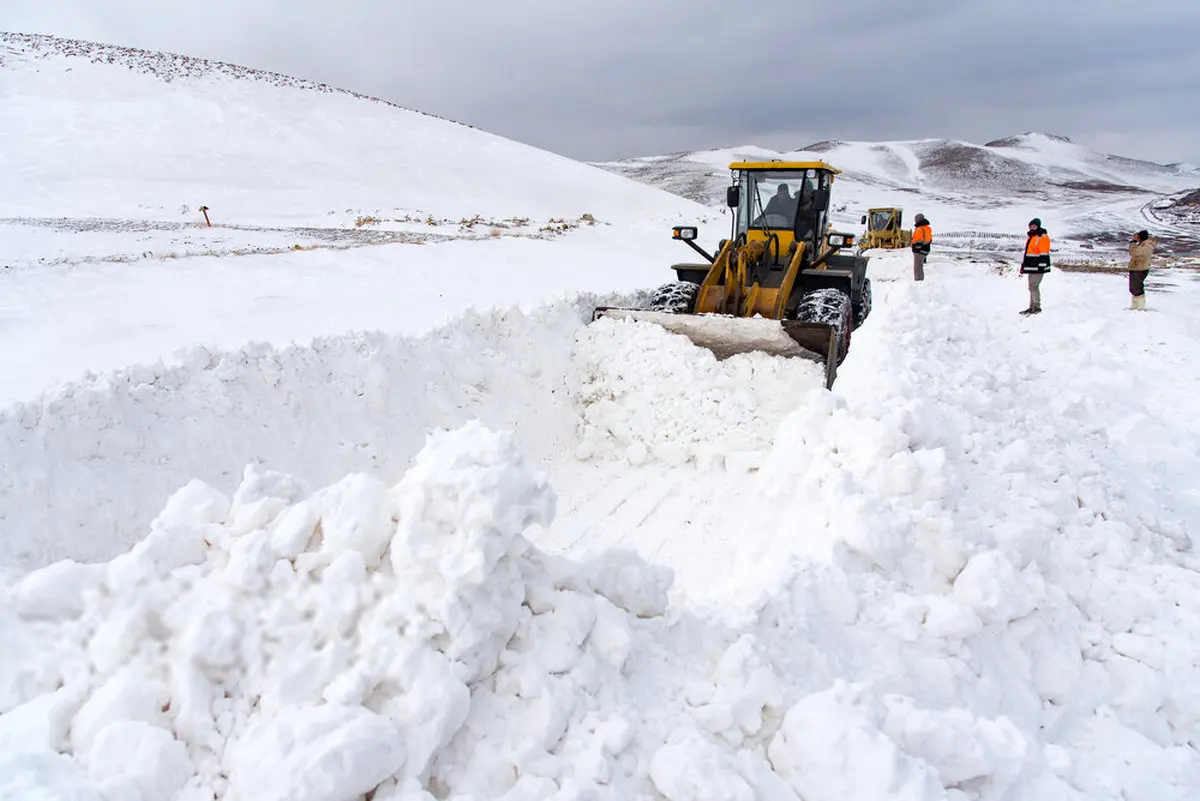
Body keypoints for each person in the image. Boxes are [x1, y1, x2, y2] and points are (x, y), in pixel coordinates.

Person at [1019, 218, 1051, 315]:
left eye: (1034, 226)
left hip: (1038, 267)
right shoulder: (1032, 237)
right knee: (1031, 287)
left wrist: (1041, 266)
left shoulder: (1042, 237)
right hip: (1032, 267)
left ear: (1038, 226)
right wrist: (1023, 266)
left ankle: (1036, 307)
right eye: (1031, 226)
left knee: (1033, 286)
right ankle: (1032, 307)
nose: (1032, 228)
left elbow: (1044, 252)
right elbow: (1028, 254)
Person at [1127, 229, 1156, 310]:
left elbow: (1133, 252)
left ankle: (1140, 306)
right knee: (1133, 288)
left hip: (1140, 269)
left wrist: (1133, 242)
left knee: (1137, 288)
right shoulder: (1143, 244)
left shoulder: (1146, 246)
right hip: (1137, 268)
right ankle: (1135, 305)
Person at [911, 213, 931, 281]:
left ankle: (918, 282)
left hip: (919, 251)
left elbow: (918, 241)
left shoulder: (919, 229)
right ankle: (920, 281)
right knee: (920, 267)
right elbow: (930, 240)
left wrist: (915, 249)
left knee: (917, 268)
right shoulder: (927, 228)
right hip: (925, 250)